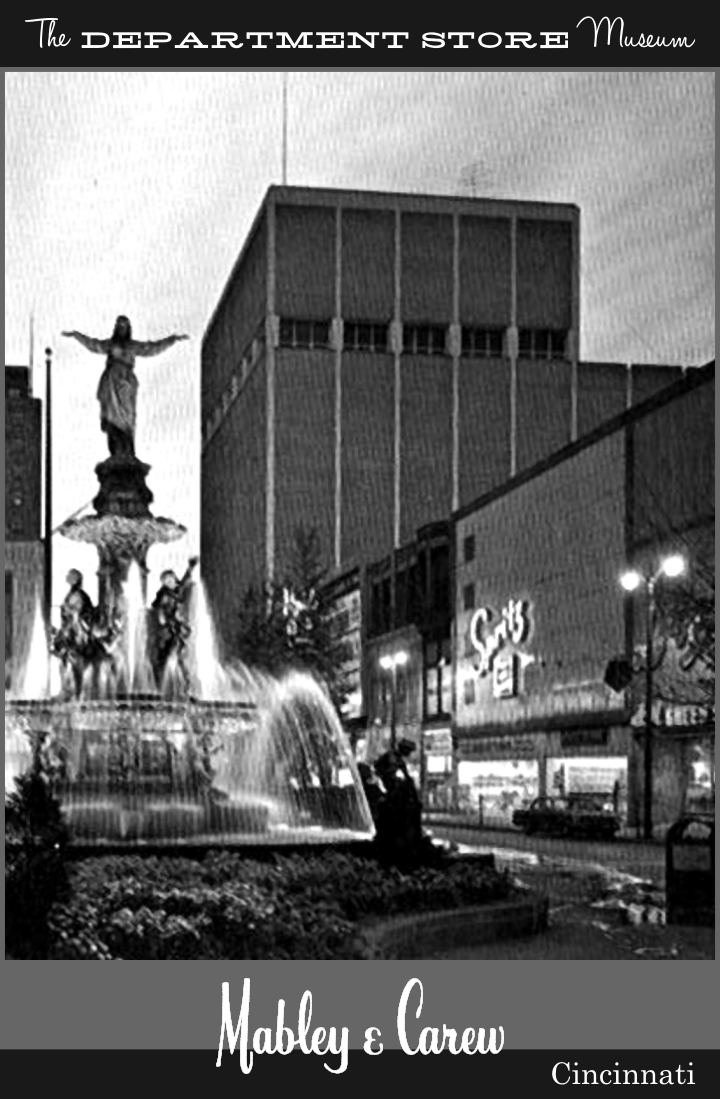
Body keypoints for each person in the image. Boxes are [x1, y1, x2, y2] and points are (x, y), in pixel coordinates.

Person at [62, 316, 189, 458]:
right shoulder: (110, 344)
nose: (122, 329)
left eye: (124, 326)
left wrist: (171, 340)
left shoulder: (132, 346)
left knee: (127, 415)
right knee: (111, 415)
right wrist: (76, 335)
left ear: (128, 329)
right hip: (111, 383)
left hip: (126, 384)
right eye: (119, 326)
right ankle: (115, 450)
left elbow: (152, 348)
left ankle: (127, 449)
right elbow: (94, 345)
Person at [150, 556, 199, 690]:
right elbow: (158, 609)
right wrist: (162, 619)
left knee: (180, 656)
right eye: (165, 581)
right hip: (167, 629)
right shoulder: (164, 594)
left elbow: (184, 581)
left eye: (170, 580)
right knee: (162, 657)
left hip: (177, 628)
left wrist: (190, 567)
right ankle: (160, 685)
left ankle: (186, 685)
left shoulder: (178, 591)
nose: (169, 583)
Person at [52, 570, 96, 697]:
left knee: (75, 661)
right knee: (64, 659)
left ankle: (77, 691)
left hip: (77, 631)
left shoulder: (80, 595)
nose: (66, 577)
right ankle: (67, 689)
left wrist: (71, 612)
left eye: (69, 576)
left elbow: (82, 613)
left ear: (75, 580)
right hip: (70, 629)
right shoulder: (73, 594)